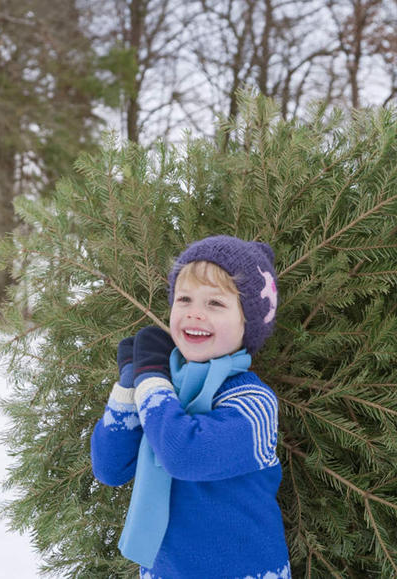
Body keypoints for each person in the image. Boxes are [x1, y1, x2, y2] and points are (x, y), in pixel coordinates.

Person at [90, 235, 290, 578]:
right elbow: (110, 468)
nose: (195, 312)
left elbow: (184, 454)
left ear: (248, 324)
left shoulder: (254, 405)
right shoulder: (169, 394)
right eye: (184, 299)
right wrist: (129, 382)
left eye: (215, 303)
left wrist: (150, 378)